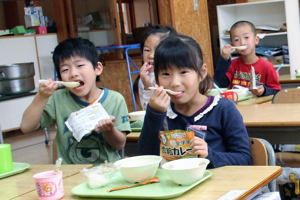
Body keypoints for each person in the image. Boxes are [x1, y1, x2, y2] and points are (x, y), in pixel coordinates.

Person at [138, 34, 252, 168]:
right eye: (166, 74)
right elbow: (145, 159)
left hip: (220, 186)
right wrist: (154, 114)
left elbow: (245, 159)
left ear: (202, 72)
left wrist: (210, 155)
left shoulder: (223, 109)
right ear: (156, 78)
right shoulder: (162, 113)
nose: (175, 83)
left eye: (184, 72)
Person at [20, 37, 131, 164]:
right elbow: (26, 127)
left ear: (97, 68)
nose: (73, 73)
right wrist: (42, 97)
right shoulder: (57, 99)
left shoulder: (115, 100)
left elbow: (119, 145)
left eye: (79, 65)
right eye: (65, 69)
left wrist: (109, 130)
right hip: (70, 174)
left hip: (107, 172)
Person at [214, 20, 281, 97]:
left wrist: (264, 91)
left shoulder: (267, 66)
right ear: (232, 44)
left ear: (256, 40)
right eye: (236, 40)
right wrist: (224, 58)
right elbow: (220, 84)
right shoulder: (232, 64)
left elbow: (276, 92)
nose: (242, 42)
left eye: (246, 37)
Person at [133, 25, 177, 110]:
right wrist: (147, 86)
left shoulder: (177, 77)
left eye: (157, 50)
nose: (151, 56)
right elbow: (147, 111)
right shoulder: (143, 80)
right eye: (147, 50)